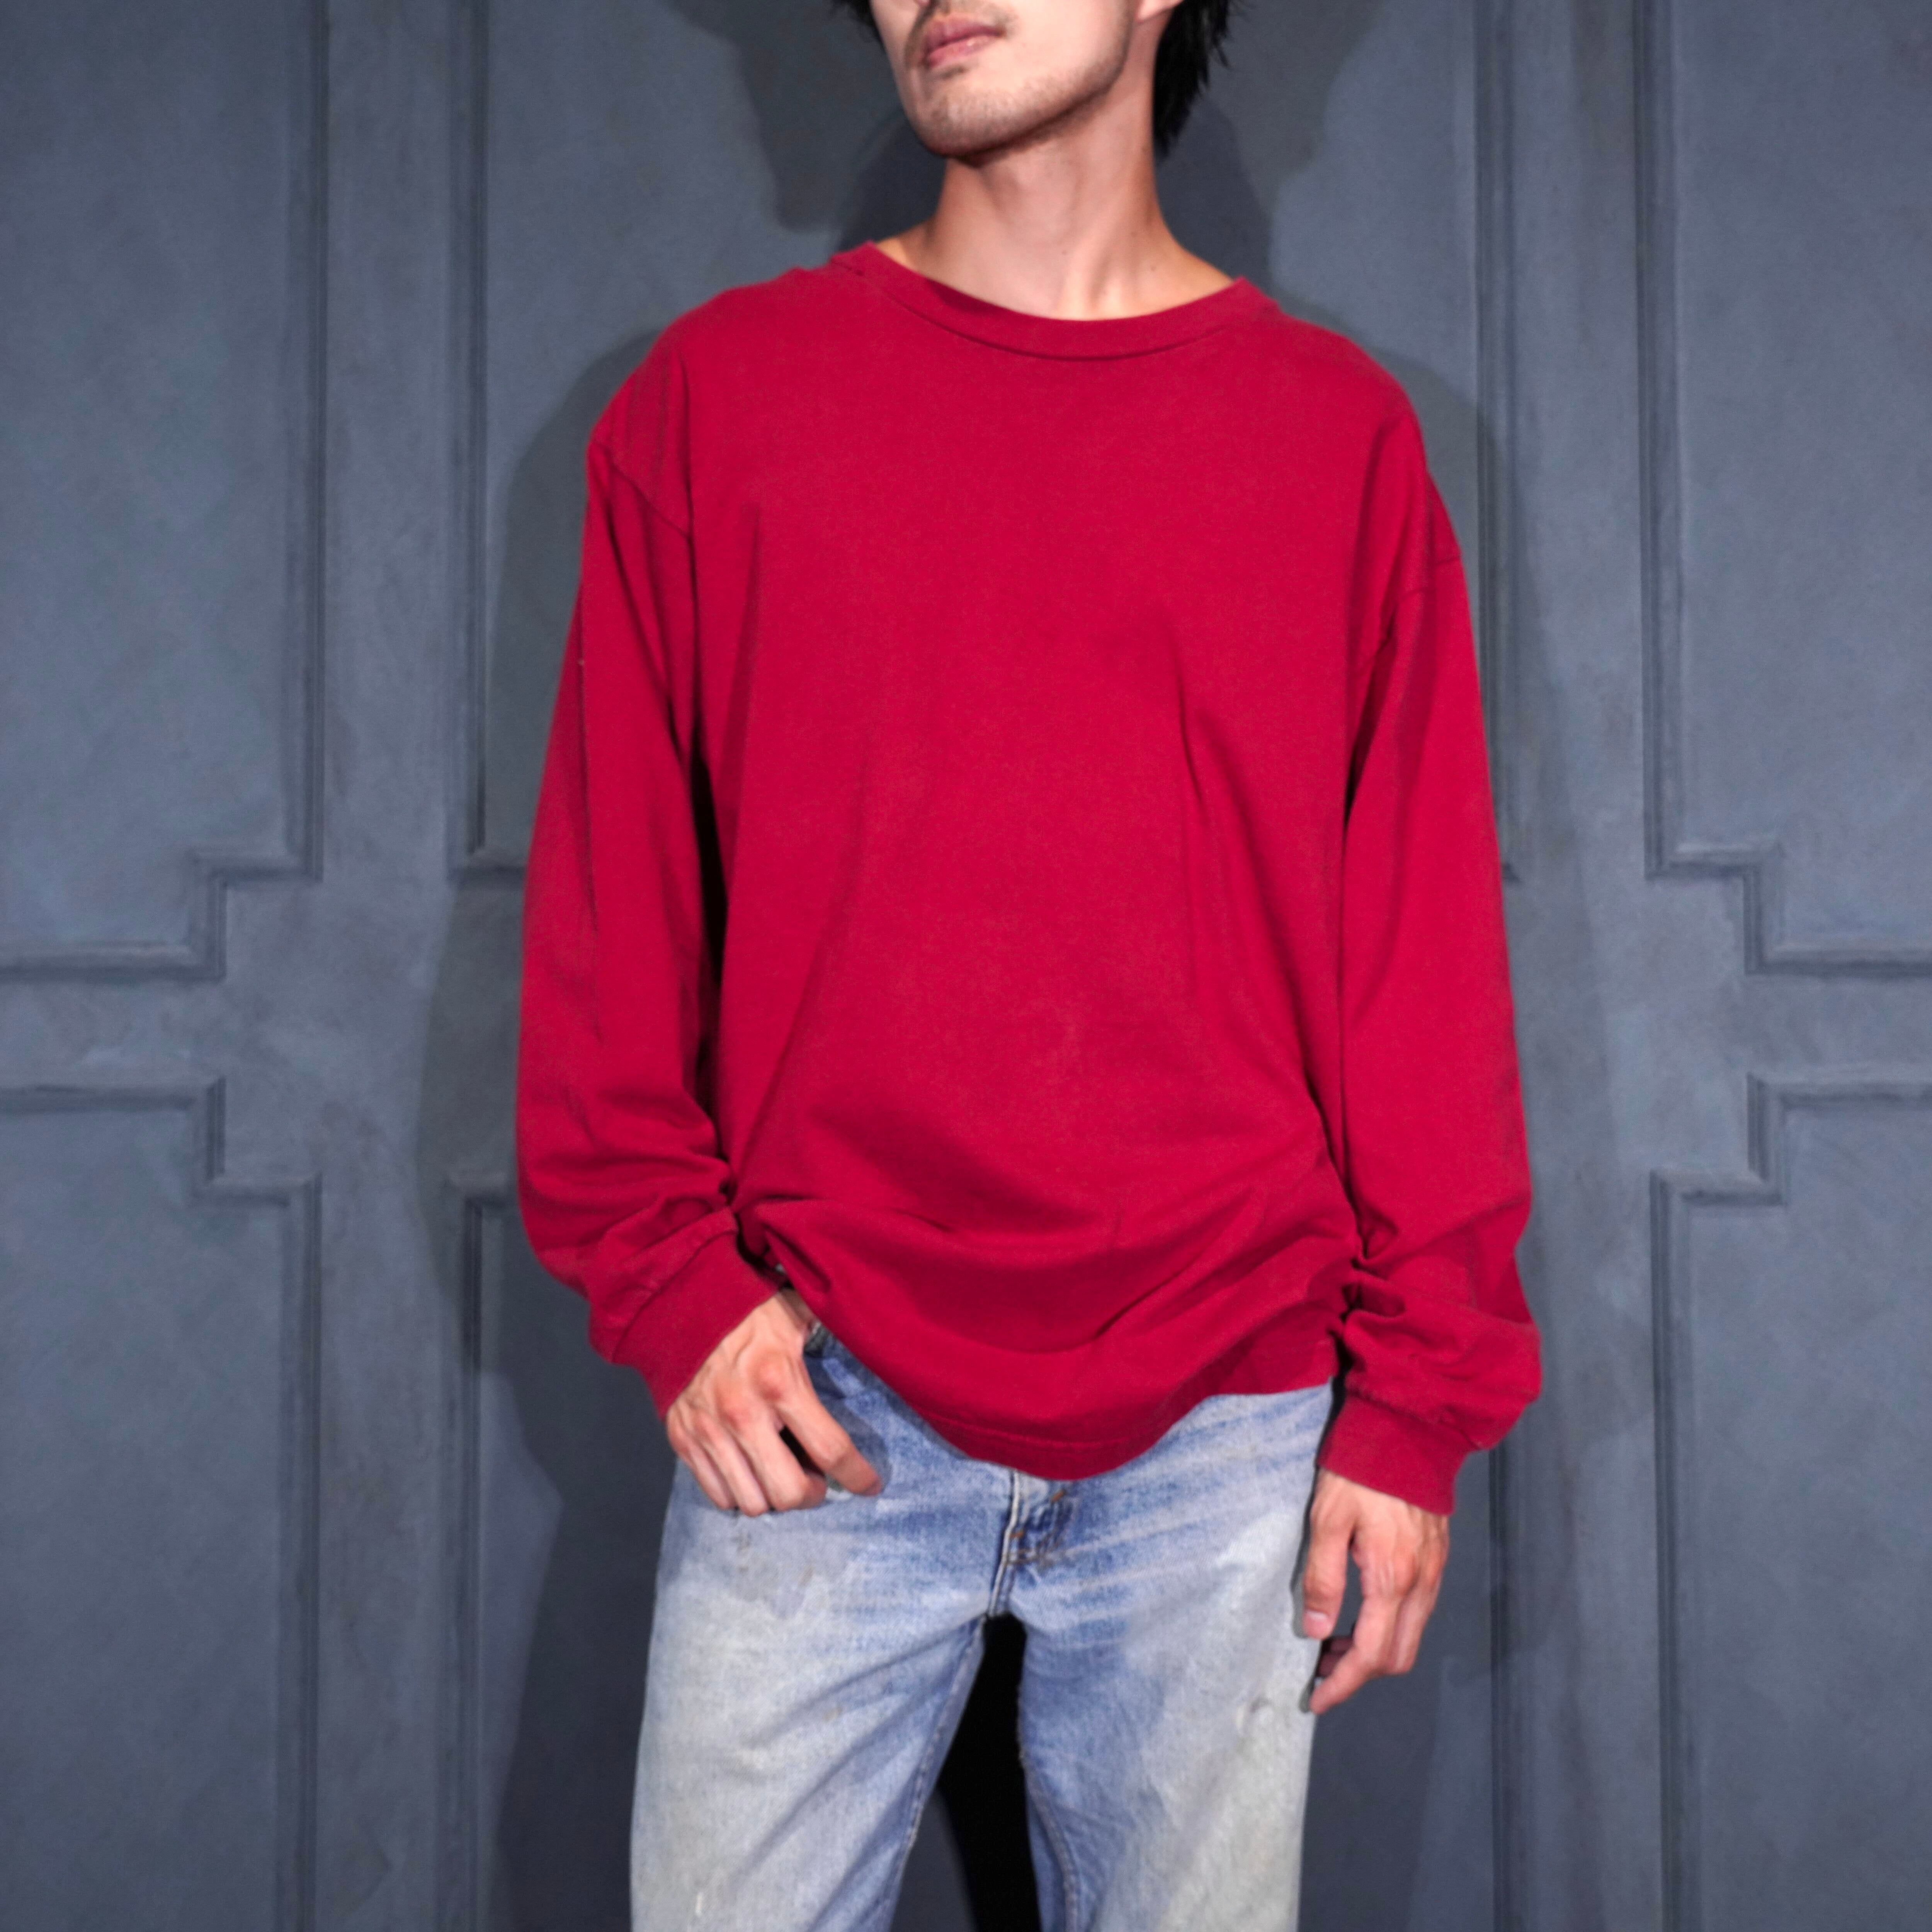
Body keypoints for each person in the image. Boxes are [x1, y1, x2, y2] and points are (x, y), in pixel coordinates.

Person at [514, 1, 1541, 1925]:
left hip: (1227, 1412)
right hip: (810, 1393)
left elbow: (1417, 960)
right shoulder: (717, 402)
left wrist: (1416, 1399)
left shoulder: (1335, 440)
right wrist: (674, 1282)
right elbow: (609, 901)